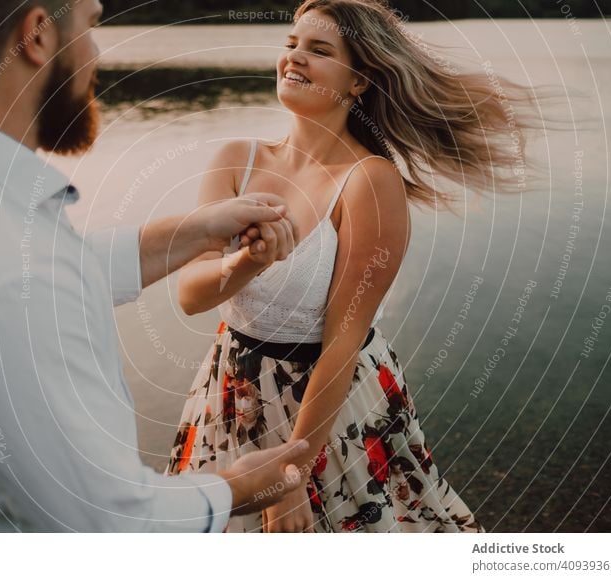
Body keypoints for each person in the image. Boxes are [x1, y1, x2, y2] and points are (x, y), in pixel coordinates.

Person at [0, 0, 312, 532]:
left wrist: (197, 229)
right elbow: (109, 525)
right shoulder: (16, 279)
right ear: (37, 34)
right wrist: (240, 486)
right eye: (91, 26)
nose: (95, 55)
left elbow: (46, 276)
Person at [165, 0, 544, 533]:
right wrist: (250, 262)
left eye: (318, 50)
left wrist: (289, 475)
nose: (294, 58)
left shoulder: (369, 181)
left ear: (360, 80)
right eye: (291, 44)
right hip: (234, 385)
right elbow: (191, 295)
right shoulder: (236, 159)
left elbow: (343, 341)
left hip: (329, 404)